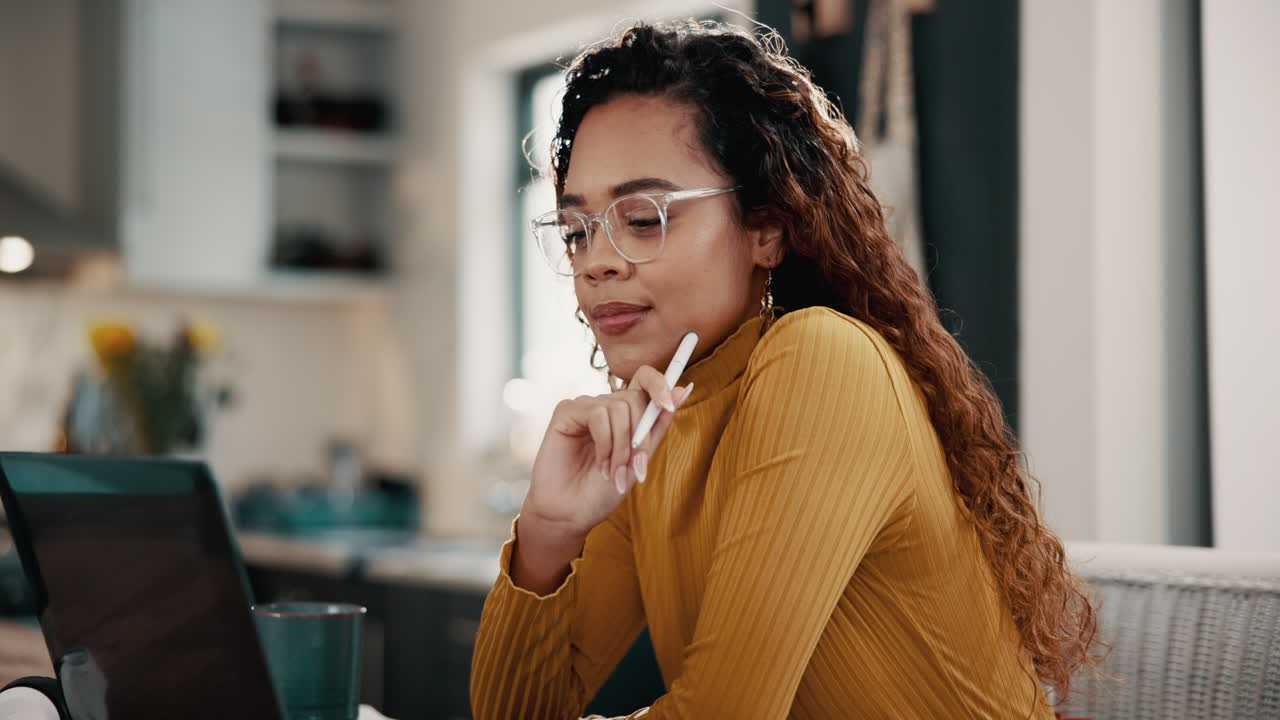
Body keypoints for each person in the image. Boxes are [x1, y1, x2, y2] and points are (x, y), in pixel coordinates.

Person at [471, 20, 1098, 719]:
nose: (596, 262)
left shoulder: (823, 362)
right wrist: (548, 531)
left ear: (764, 229)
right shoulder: (659, 424)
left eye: (644, 218)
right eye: (577, 230)